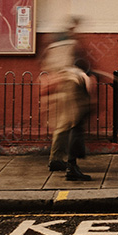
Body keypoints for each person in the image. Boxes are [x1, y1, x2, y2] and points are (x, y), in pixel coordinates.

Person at [41, 18, 94, 181]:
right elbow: (76, 68)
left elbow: (50, 69)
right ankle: (72, 166)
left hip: (62, 87)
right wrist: (86, 78)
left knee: (64, 124)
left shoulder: (53, 48)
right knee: (76, 123)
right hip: (73, 86)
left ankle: (56, 160)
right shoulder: (70, 45)